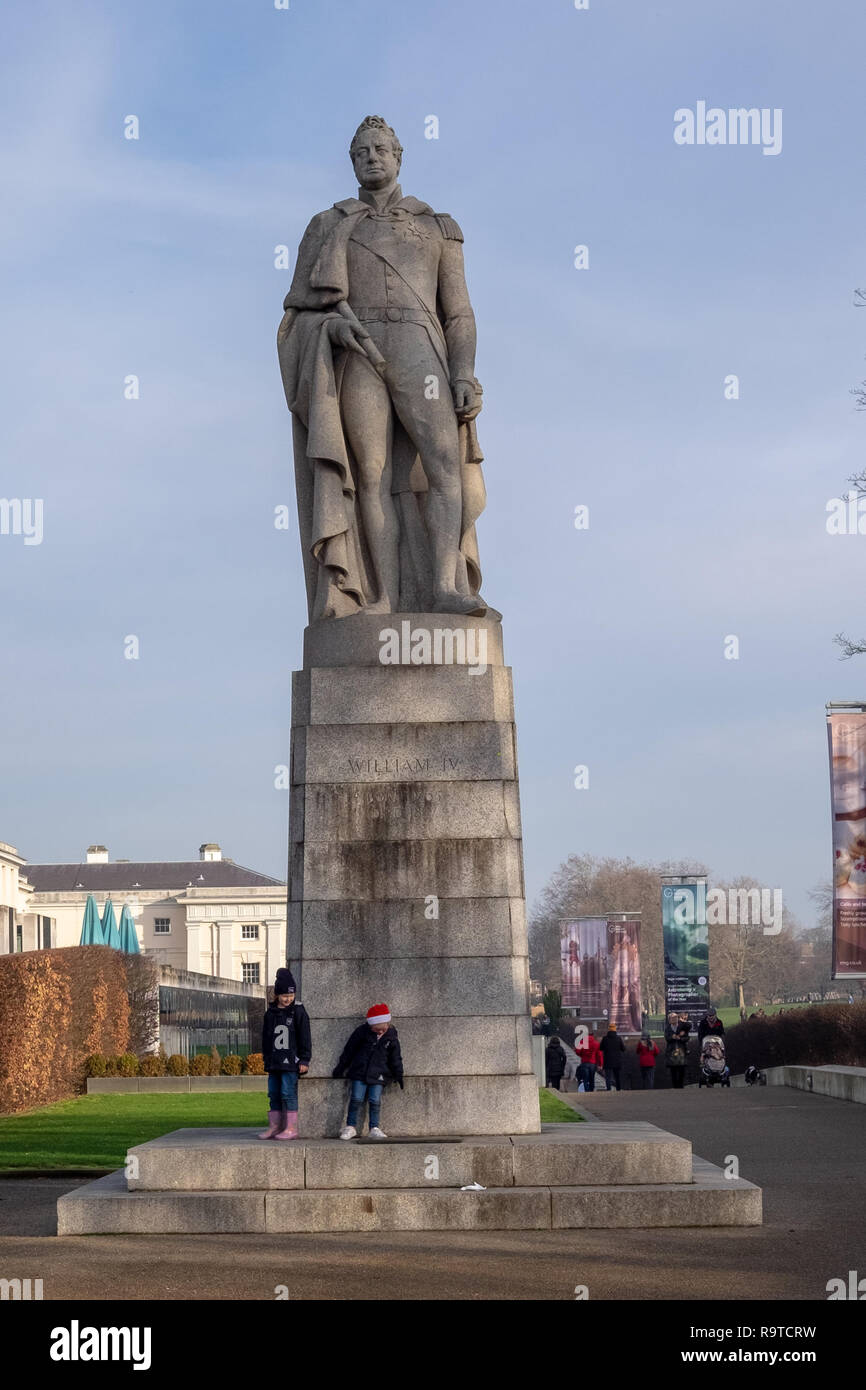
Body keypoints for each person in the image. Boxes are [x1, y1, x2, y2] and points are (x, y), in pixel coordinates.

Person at [332, 1003, 404, 1139]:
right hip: (360, 1072)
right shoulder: (361, 1032)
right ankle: (350, 1126)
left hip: (379, 1074)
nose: (380, 1032)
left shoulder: (391, 1037)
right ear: (370, 1026)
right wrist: (341, 1067)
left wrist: (398, 1074)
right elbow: (349, 1050)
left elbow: (396, 1058)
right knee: (356, 1099)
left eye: (383, 1029)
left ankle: (374, 1127)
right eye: (377, 1030)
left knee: (375, 1100)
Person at [258, 968, 311, 1140]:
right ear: (277, 995)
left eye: (291, 995)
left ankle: (291, 1127)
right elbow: (266, 1038)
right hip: (274, 1062)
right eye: (284, 996)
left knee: (288, 1093)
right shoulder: (270, 1013)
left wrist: (304, 1059)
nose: (288, 999)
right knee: (273, 1093)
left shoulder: (298, 1011)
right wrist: (266, 1058)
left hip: (290, 1062)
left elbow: (305, 1036)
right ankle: (274, 1127)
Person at [664, 1011, 690, 1090]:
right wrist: (672, 1037)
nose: (674, 1019)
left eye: (675, 1018)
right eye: (672, 1018)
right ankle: (675, 1087)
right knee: (673, 1070)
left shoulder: (682, 1027)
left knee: (682, 1069)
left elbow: (687, 1037)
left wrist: (680, 1038)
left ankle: (681, 1086)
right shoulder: (668, 1029)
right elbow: (667, 1038)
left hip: (681, 1051)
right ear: (669, 1020)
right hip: (672, 1052)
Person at [599, 1022, 625, 1093]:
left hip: (608, 1060)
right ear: (615, 1030)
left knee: (608, 1077)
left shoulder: (605, 1039)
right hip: (617, 1061)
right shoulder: (618, 1039)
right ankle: (618, 1089)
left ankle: (608, 1089)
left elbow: (601, 1048)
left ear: (609, 1030)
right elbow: (623, 1049)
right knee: (617, 1076)